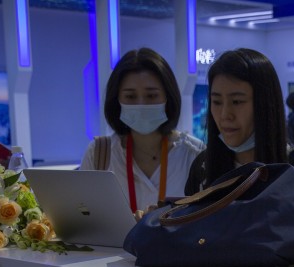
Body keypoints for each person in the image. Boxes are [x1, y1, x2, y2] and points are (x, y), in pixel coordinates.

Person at [185, 48, 294, 228]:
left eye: (237, 102)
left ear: (265, 104)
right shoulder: (203, 167)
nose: (225, 114)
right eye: (217, 102)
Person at [80, 47, 204, 218]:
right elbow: (83, 219)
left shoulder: (194, 154)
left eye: (151, 96)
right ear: (117, 100)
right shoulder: (98, 154)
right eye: (130, 97)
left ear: (168, 98)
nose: (141, 104)